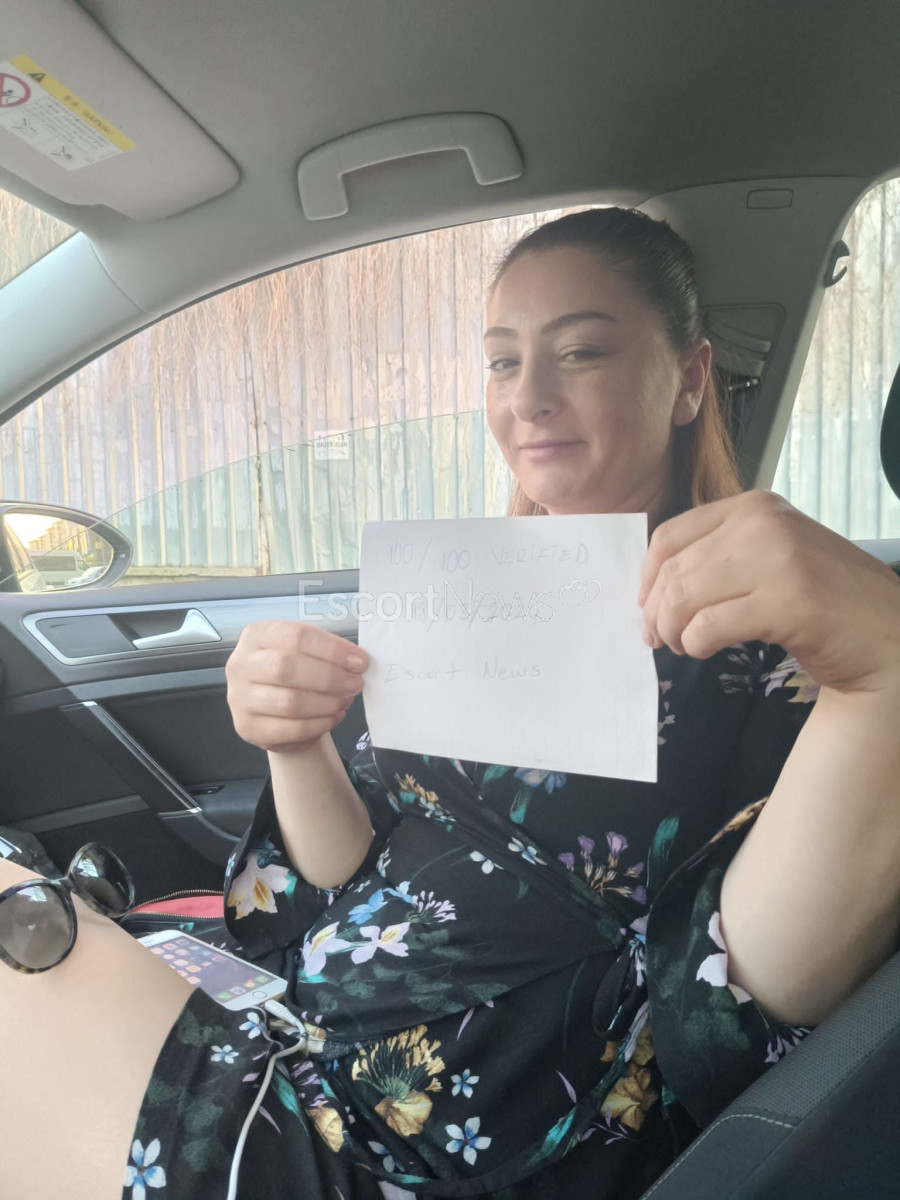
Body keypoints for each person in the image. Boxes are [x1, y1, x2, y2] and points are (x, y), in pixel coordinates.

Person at [2, 208, 900, 1200]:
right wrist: (294, 743)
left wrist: (881, 666)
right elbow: (346, 876)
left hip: (417, 1152)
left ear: (689, 380)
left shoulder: (773, 662)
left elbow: (745, 997)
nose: (530, 397)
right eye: (503, 362)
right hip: (297, 1036)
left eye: (582, 351)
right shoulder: (457, 600)